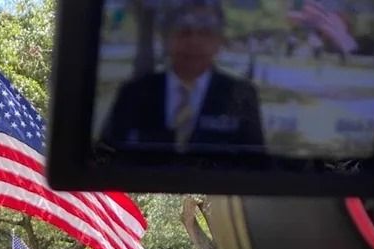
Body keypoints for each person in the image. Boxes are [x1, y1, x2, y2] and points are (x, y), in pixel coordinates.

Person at [98, 0, 265, 153]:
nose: (194, 42)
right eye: (185, 32)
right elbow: (104, 158)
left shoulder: (240, 96)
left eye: (205, 33)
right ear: (167, 38)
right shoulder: (133, 93)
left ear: (219, 41)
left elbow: (255, 165)